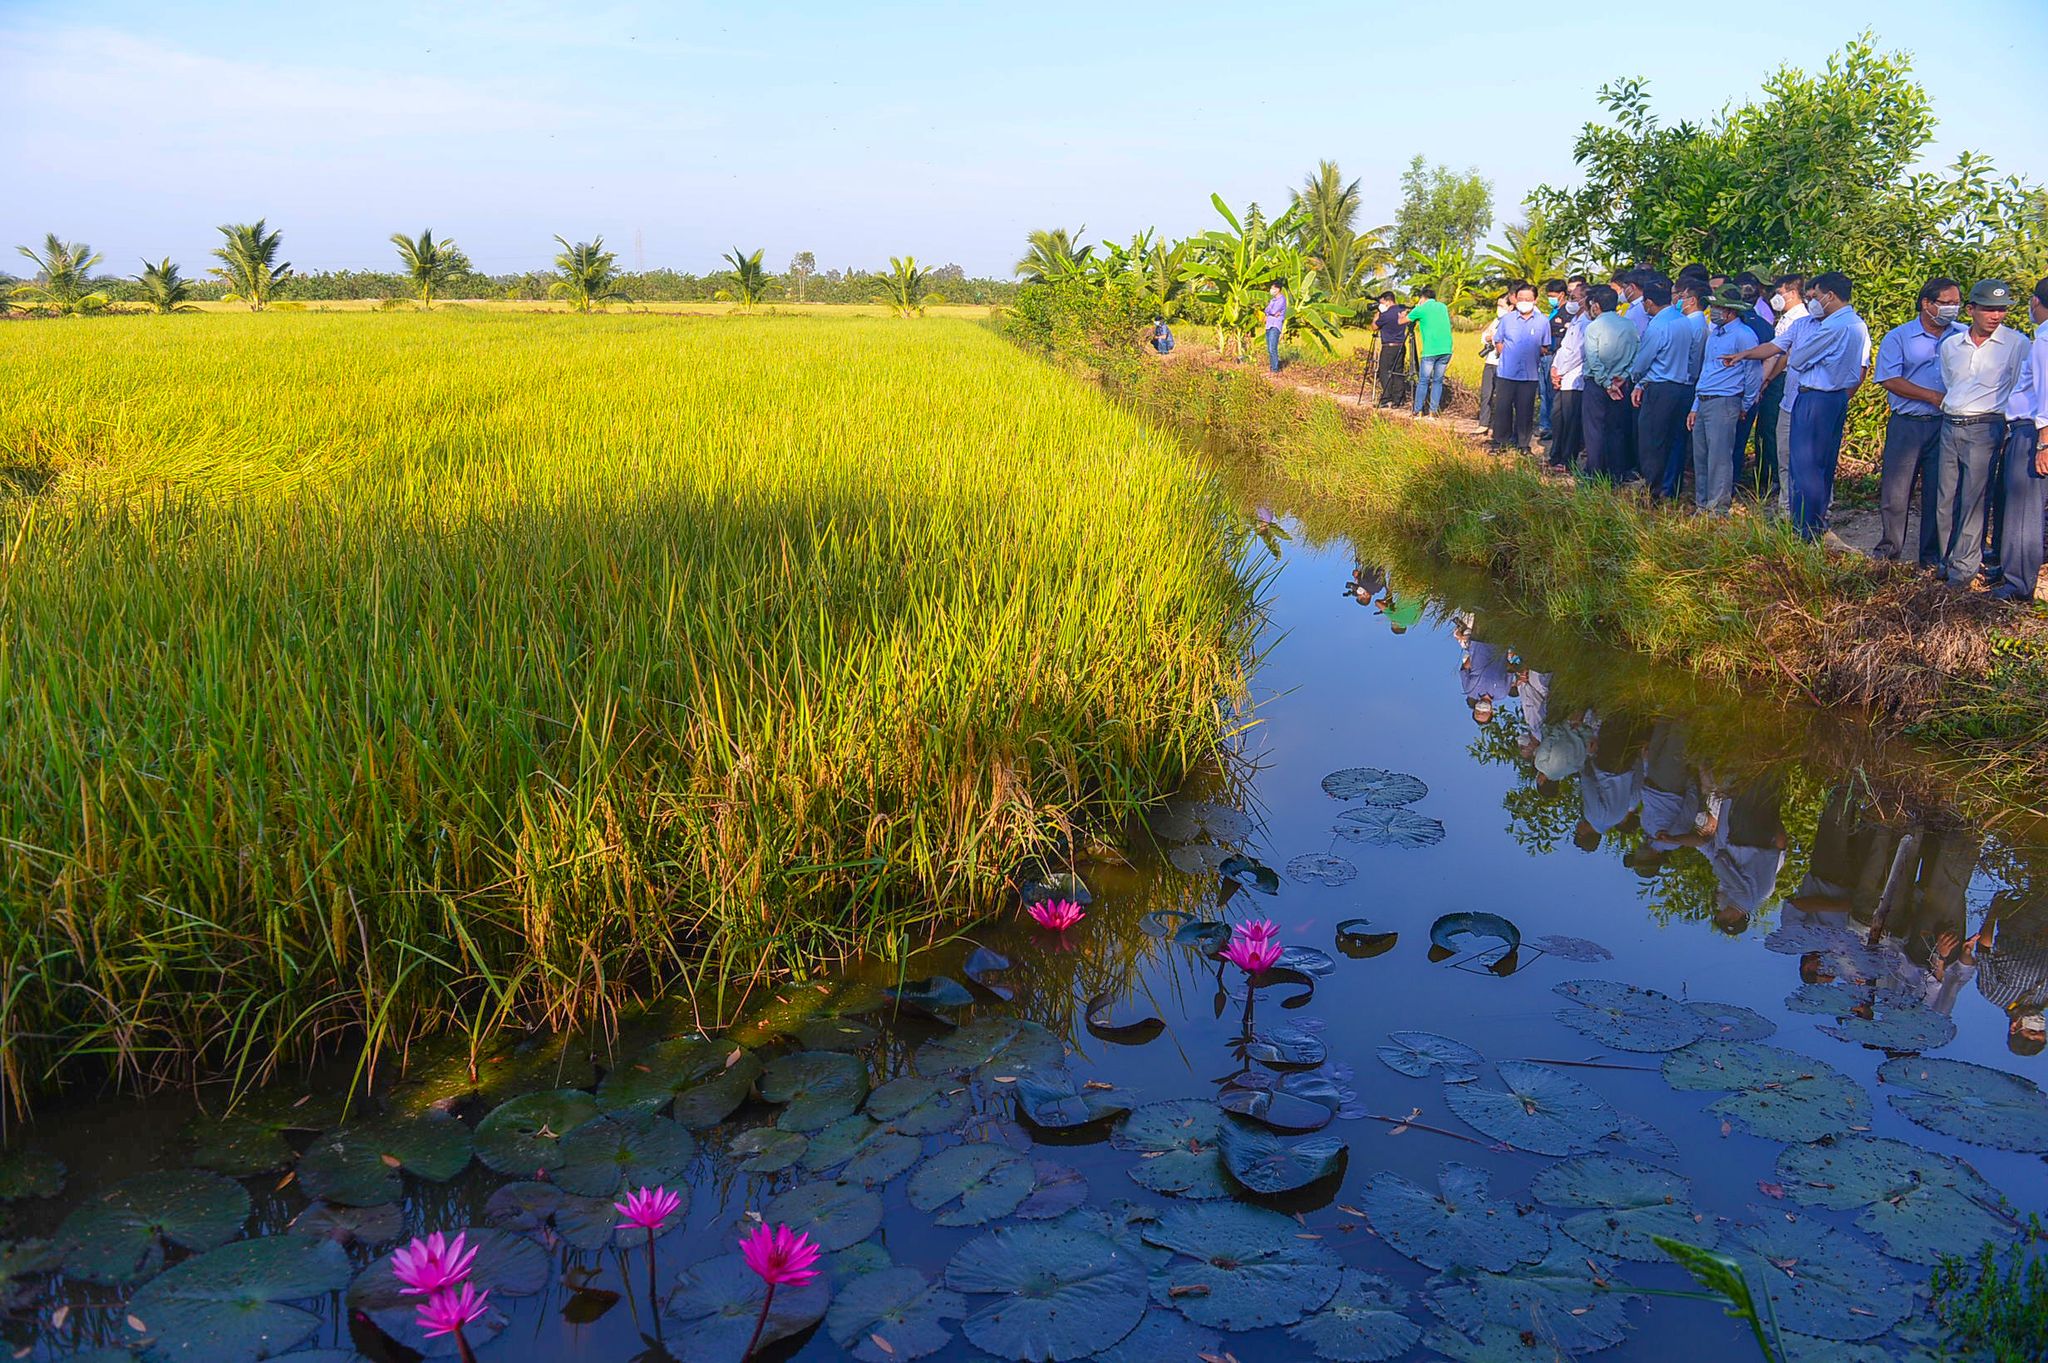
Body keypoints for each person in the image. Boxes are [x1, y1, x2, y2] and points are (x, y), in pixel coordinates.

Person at [1935, 279, 2028, 587]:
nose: (1996, 316)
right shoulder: (1951, 344)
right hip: (1951, 423)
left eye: (2001, 310)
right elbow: (1950, 383)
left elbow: (2018, 387)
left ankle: (1963, 570)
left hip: (1986, 425)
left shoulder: (2016, 344)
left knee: (1975, 500)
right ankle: (1946, 558)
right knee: (1946, 497)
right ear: (1971, 309)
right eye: (1989, 309)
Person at [1871, 279, 1963, 565]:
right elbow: (1889, 378)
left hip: (1945, 424)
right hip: (1908, 423)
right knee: (1896, 491)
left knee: (1939, 491)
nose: (1953, 309)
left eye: (1956, 303)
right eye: (1946, 303)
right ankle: (1889, 551)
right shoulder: (1899, 337)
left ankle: (1931, 556)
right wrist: (1931, 396)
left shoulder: (1961, 337)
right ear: (1926, 303)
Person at [1779, 272, 1868, 541]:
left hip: (1815, 398)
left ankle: (1805, 530)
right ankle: (1817, 525)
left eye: (1815, 296)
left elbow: (1798, 359)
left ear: (1829, 295)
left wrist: (1803, 356)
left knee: (1804, 467)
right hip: (1837, 397)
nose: (1812, 301)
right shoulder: (1857, 324)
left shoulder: (1833, 326)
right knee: (1823, 465)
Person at [1991, 277, 2048, 600]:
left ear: (2036, 303)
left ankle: (2018, 583)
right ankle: (2011, 569)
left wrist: (2044, 443)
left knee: (2023, 509)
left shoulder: (2044, 340)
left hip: (2032, 431)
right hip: (2034, 431)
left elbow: (2046, 394)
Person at [1688, 285, 1764, 514]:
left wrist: (1745, 404)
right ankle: (1703, 505)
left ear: (1730, 311)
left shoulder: (1744, 335)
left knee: (1719, 457)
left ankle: (1718, 508)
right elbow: (1706, 370)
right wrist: (1695, 405)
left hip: (1725, 400)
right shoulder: (1715, 335)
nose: (1713, 311)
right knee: (1701, 456)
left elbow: (1753, 374)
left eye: (1718, 307)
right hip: (1705, 398)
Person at [1628, 276, 1692, 498]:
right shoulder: (1684, 320)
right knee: (1675, 440)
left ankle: (1652, 491)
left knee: (1652, 441)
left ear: (1649, 302)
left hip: (1660, 389)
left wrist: (1636, 380)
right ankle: (1671, 488)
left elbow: (1642, 362)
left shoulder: (1657, 326)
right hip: (1682, 388)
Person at [1580, 284, 1638, 482]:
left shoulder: (1593, 327)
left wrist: (1605, 383)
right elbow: (1635, 355)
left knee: (1594, 429)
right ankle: (1616, 472)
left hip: (1598, 385)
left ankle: (1595, 473)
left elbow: (1593, 359)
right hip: (1621, 383)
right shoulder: (1629, 325)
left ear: (1596, 305)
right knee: (1617, 429)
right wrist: (1623, 376)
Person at [1491, 282, 1549, 452]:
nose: (1524, 301)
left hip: (1529, 374)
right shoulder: (1507, 319)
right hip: (1507, 373)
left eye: (1528, 299)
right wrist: (1509, 355)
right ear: (1515, 299)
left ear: (1535, 300)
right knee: (1503, 409)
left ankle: (1523, 444)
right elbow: (1498, 341)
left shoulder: (1543, 321)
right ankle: (1500, 442)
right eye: (1521, 298)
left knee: (1525, 410)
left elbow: (1545, 347)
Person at [1549, 281, 1588, 471]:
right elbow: (1564, 349)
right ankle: (1555, 455)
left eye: (1574, 297)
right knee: (1558, 418)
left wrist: (1561, 371)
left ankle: (1567, 460)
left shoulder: (1586, 323)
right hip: (1562, 376)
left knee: (1571, 422)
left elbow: (1577, 353)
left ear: (1585, 300)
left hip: (1574, 379)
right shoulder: (1574, 320)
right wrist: (1554, 369)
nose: (1570, 301)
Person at [1407, 286, 1453, 417]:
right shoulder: (1443, 307)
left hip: (1430, 351)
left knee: (1423, 381)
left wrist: (1417, 307)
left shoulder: (1421, 309)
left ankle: (1418, 411)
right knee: (1437, 381)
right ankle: (1433, 412)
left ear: (1422, 298)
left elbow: (1402, 320)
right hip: (1446, 349)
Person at [1537, 278, 1567, 439]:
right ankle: (1544, 424)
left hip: (1553, 356)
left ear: (1562, 295)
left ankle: (1553, 427)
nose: (1551, 299)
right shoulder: (1552, 313)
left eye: (1553, 295)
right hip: (1543, 356)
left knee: (1552, 393)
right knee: (1543, 392)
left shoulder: (1567, 313)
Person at [1371, 291, 1408, 407]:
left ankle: (1387, 398)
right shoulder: (1402, 312)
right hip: (1401, 346)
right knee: (1398, 372)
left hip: (1388, 347)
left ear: (1387, 301)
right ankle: (1399, 400)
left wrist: (1377, 315)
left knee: (1384, 372)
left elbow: (1374, 327)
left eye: (1382, 302)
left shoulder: (1385, 315)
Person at [1478, 293, 1507, 436]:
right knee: (1486, 394)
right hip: (1489, 361)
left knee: (1500, 396)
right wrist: (1488, 338)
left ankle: (1497, 426)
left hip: (1502, 363)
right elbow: (1484, 336)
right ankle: (1483, 423)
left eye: (1501, 305)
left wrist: (1493, 337)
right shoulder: (1496, 320)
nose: (1499, 308)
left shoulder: (1509, 321)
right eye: (1498, 305)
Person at [1263, 282, 1287, 373]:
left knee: (1272, 348)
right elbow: (1267, 310)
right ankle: (1272, 367)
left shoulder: (1282, 300)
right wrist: (1270, 312)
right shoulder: (1273, 300)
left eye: (1273, 288)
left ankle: (1275, 370)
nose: (1271, 290)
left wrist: (1270, 312)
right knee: (1269, 348)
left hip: (1275, 325)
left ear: (1278, 289)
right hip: (1269, 325)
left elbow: (1273, 310)